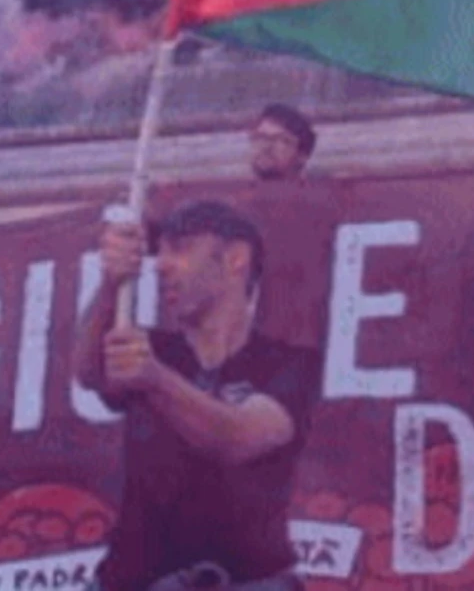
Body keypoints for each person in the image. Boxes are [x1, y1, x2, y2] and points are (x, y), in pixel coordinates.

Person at [75, 200, 319, 591]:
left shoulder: (290, 366)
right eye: (161, 251)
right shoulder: (155, 347)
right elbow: (88, 371)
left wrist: (155, 379)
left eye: (182, 248)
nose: (161, 265)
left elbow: (237, 439)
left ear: (236, 258)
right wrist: (110, 284)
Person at [246, 105, 314, 183]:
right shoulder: (234, 193)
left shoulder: (320, 193)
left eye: (280, 140)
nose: (266, 146)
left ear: (302, 155)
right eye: (261, 137)